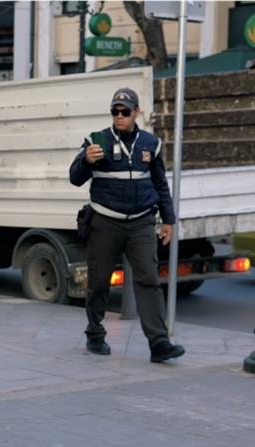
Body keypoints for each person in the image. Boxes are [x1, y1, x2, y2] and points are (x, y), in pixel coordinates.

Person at [69, 87, 185, 364]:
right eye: (115, 111)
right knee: (98, 281)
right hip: (105, 221)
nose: (119, 116)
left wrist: (169, 220)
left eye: (124, 111)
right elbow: (75, 178)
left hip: (142, 222)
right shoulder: (96, 141)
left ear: (137, 113)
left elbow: (160, 184)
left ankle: (159, 343)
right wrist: (86, 161)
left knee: (149, 279)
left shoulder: (150, 143)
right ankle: (95, 333)